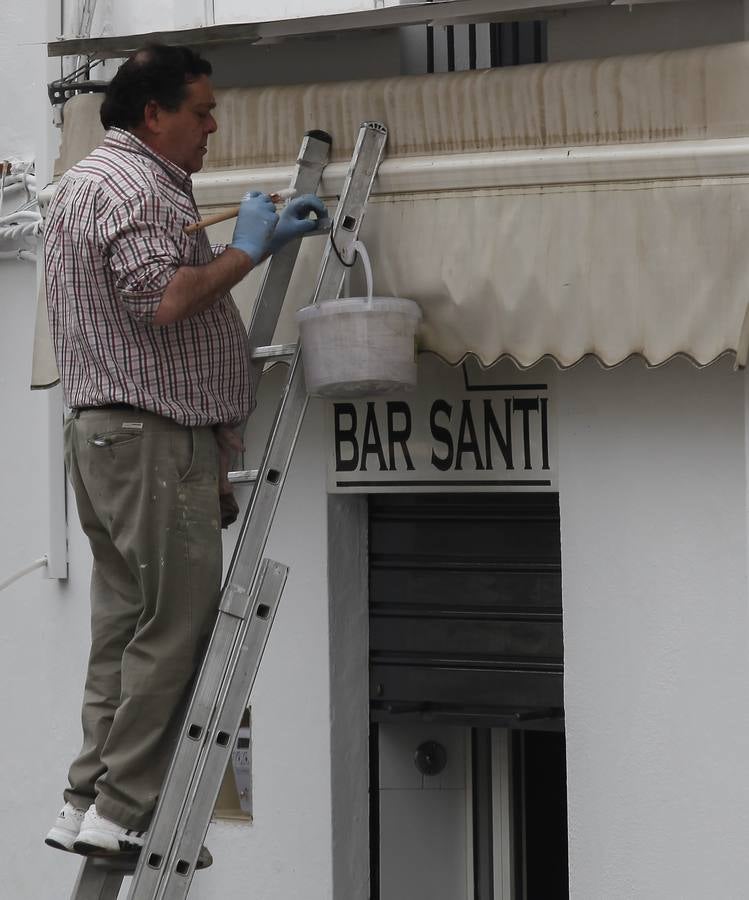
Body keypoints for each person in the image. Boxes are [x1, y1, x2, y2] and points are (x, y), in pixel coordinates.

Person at [42, 42, 326, 859]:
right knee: (178, 625)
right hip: (152, 440)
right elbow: (162, 301)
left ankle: (84, 800)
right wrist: (251, 250)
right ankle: (123, 809)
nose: (212, 124)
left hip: (107, 437)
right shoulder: (134, 186)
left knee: (125, 629)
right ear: (152, 115)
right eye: (199, 110)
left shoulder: (87, 183)